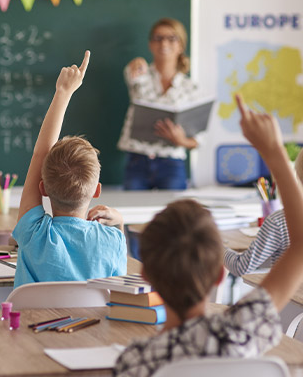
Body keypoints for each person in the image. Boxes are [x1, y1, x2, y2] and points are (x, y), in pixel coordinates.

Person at [114, 94, 303, 376]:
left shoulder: (135, 361)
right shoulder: (241, 332)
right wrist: (274, 151)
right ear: (219, 274)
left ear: (147, 277)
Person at [12, 51, 127, 288]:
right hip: (94, 326)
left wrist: (62, 93)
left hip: (31, 326)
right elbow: (118, 292)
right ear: (96, 190)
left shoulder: (35, 235)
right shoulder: (112, 241)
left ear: (42, 188)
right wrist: (120, 224)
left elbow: (39, 155)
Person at [117, 18, 202, 190]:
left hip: (172, 163)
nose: (164, 43)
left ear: (181, 46)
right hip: (137, 160)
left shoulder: (190, 88)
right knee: (133, 214)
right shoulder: (139, 74)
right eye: (158, 38)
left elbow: (197, 140)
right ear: (150, 44)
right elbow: (130, 72)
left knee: (175, 215)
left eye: (172, 38)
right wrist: (137, 62)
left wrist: (181, 140)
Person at [224, 148, 303, 276]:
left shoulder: (280, 221)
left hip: (286, 295)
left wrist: (216, 247)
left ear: (297, 174)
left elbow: (241, 267)